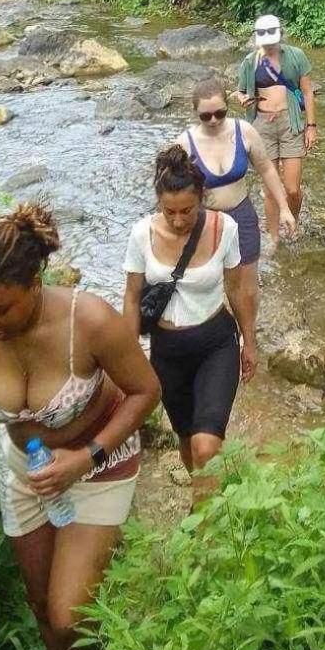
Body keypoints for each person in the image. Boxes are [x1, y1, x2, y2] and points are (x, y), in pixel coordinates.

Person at [0, 205, 160, 650]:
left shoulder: (92, 321)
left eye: (0, 309)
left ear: (35, 284)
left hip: (98, 466)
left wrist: (87, 456)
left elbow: (147, 392)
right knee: (41, 605)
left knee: (68, 617)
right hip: (25, 472)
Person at [123, 147, 255, 503]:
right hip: (168, 352)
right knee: (186, 443)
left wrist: (250, 343)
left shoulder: (223, 228)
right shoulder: (141, 235)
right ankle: (209, 499)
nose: (179, 220)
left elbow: (237, 288)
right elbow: (132, 298)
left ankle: (201, 529)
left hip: (216, 343)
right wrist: (128, 355)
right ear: (158, 203)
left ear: (201, 200)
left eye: (187, 211)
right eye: (170, 212)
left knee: (207, 445)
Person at [178, 75, 297, 299]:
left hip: (241, 216)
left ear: (227, 107)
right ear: (196, 113)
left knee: (247, 284)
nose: (213, 120)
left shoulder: (244, 131)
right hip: (206, 221)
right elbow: (170, 191)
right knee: (214, 283)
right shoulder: (185, 144)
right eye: (206, 116)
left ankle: (247, 332)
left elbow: (267, 170)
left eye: (220, 113)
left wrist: (284, 208)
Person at [235, 17, 315, 253]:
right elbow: (240, 92)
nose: (269, 46)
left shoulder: (296, 56)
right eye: (265, 41)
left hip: (290, 122)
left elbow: (308, 93)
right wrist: (242, 99)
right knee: (270, 188)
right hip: (262, 125)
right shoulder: (250, 62)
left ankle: (292, 221)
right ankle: (274, 237)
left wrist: (311, 126)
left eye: (273, 40)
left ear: (280, 35)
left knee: (292, 188)